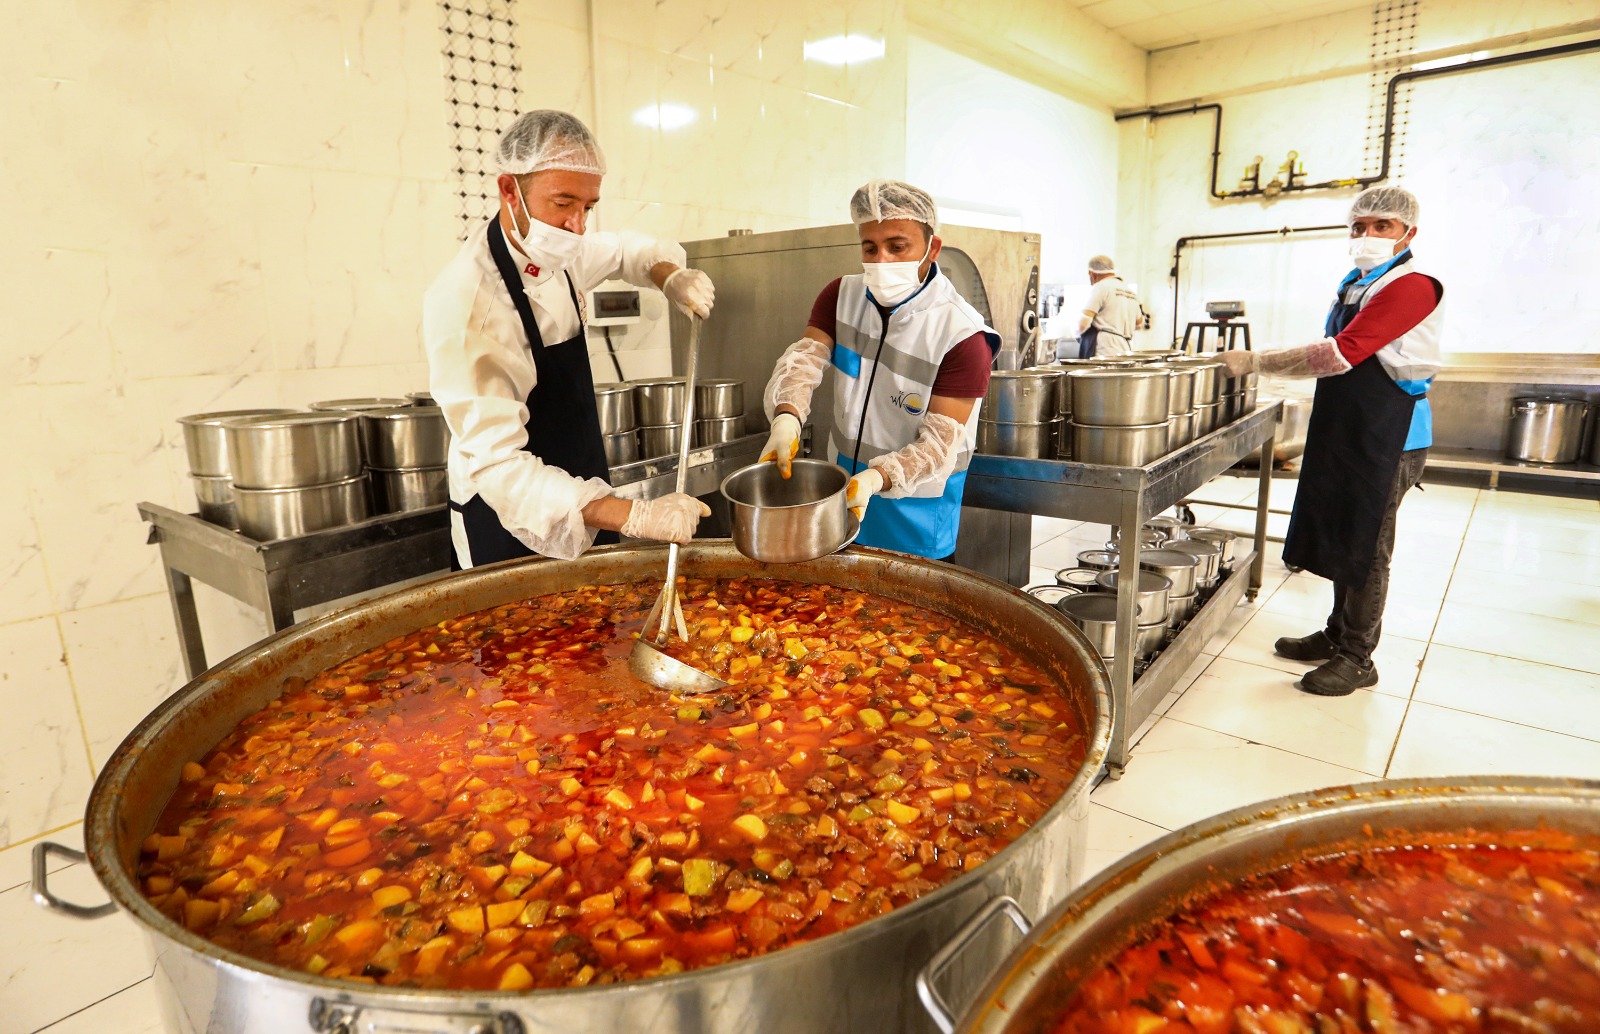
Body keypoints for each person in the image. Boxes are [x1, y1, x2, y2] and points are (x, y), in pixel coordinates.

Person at [423, 110, 718, 569]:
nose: (578, 226)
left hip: (581, 494)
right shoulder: (470, 305)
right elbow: (499, 466)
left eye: (589, 207)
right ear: (509, 190)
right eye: (563, 203)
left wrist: (669, 275)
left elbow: (624, 250)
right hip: (506, 517)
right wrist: (638, 515)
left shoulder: (558, 252)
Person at [1219, 186, 1443, 696]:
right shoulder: (1358, 282)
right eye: (1359, 226)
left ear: (1408, 232)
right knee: (1346, 531)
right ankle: (1338, 632)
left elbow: (1341, 354)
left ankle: (1359, 658)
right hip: (1353, 427)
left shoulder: (1412, 286)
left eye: (1381, 226)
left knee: (1368, 547)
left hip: (1391, 434)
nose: (1367, 235)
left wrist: (1257, 361)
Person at [757, 179, 999, 561]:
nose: (881, 260)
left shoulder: (962, 334)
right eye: (870, 247)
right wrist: (786, 419)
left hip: (916, 512)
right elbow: (803, 362)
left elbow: (938, 446)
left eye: (897, 246)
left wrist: (875, 479)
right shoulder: (840, 296)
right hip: (842, 497)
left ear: (931, 248)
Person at [1076, 255, 1141, 358]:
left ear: (1091, 273)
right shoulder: (1129, 291)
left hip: (1104, 350)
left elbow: (1083, 323)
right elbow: (1139, 323)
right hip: (1125, 348)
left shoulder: (1101, 287)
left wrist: (1077, 335)